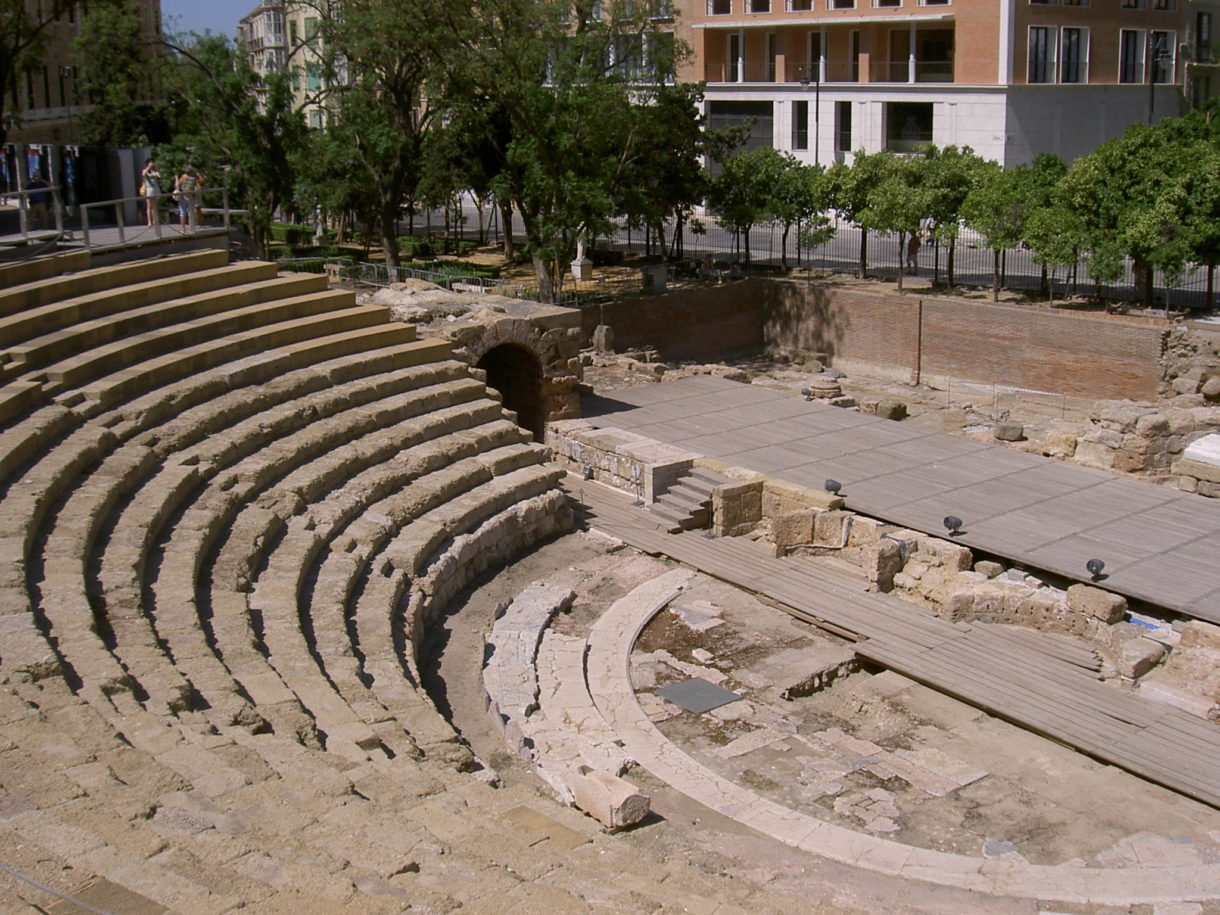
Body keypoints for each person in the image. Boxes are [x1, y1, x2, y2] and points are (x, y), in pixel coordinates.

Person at [175, 166, 199, 231]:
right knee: (190, 213)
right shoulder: (193, 178)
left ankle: (183, 228)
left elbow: (177, 185)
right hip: (191, 196)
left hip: (183, 195)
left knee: (182, 212)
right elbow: (198, 187)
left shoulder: (183, 177)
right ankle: (191, 228)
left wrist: (176, 179)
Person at [140, 158, 161, 226]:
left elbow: (160, 176)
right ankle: (149, 221)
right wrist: (148, 167)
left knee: (155, 205)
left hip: (155, 188)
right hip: (149, 189)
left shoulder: (154, 171)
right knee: (149, 205)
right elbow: (143, 174)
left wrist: (157, 169)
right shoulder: (145, 170)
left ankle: (155, 220)